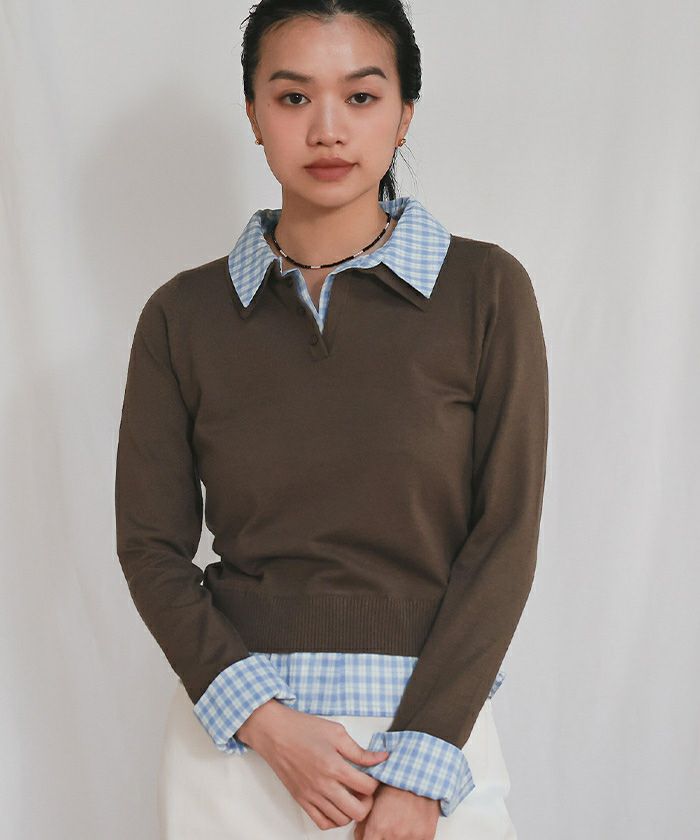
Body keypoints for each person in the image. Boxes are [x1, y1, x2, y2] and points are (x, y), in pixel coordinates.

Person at [114, 2, 549, 838]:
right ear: (253, 114)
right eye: (292, 97)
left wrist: (419, 769)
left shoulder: (484, 292)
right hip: (237, 751)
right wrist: (268, 726)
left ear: (404, 113)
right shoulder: (183, 316)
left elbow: (505, 538)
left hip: (432, 737)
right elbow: (149, 549)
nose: (327, 129)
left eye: (360, 96)